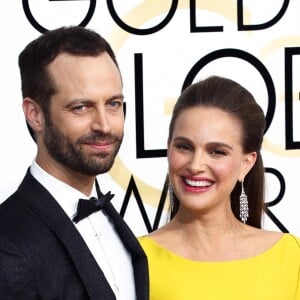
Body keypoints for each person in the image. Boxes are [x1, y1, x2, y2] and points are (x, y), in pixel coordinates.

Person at [0, 26, 149, 300]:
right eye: (81, 107)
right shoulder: (8, 242)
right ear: (35, 115)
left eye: (113, 104)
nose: (104, 125)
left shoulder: (114, 220)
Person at [139, 76, 300, 299]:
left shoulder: (291, 258)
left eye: (216, 151)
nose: (195, 165)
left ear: (246, 163)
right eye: (184, 147)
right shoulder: (134, 260)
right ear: (168, 150)